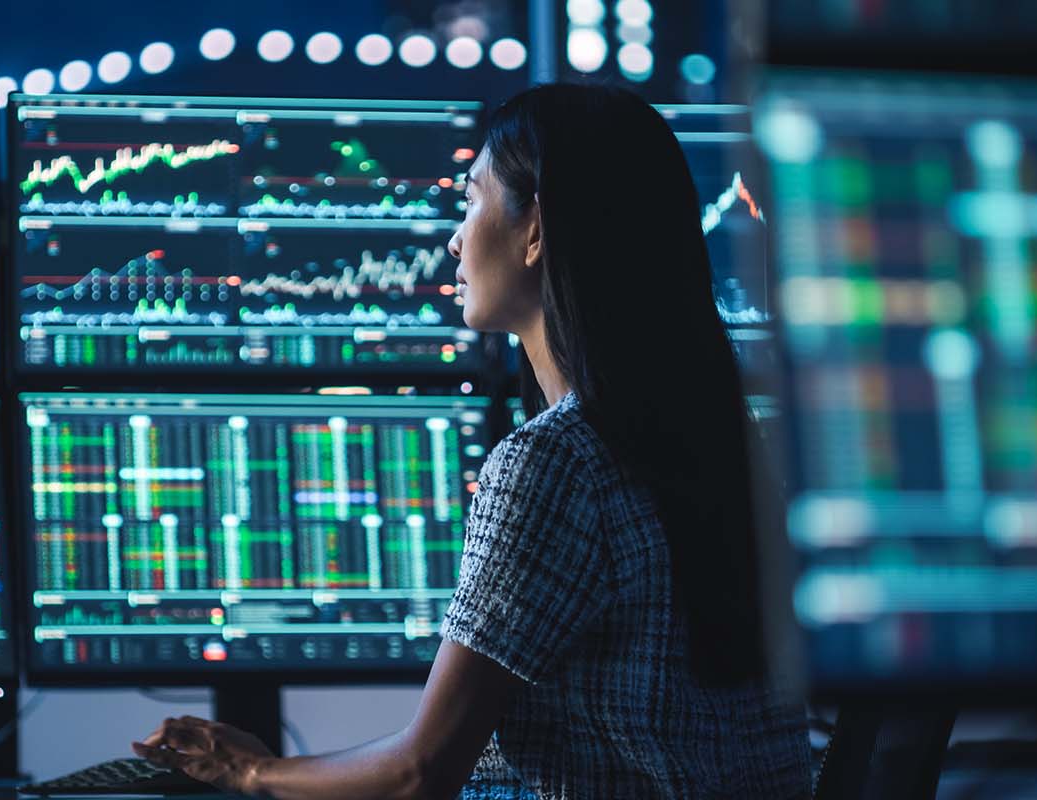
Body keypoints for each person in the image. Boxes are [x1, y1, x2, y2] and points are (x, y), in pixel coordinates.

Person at [132, 82, 813, 799]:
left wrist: (248, 770)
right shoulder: (723, 445)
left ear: (537, 229)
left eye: (471, 198)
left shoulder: (556, 464)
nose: (454, 238)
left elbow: (419, 773)